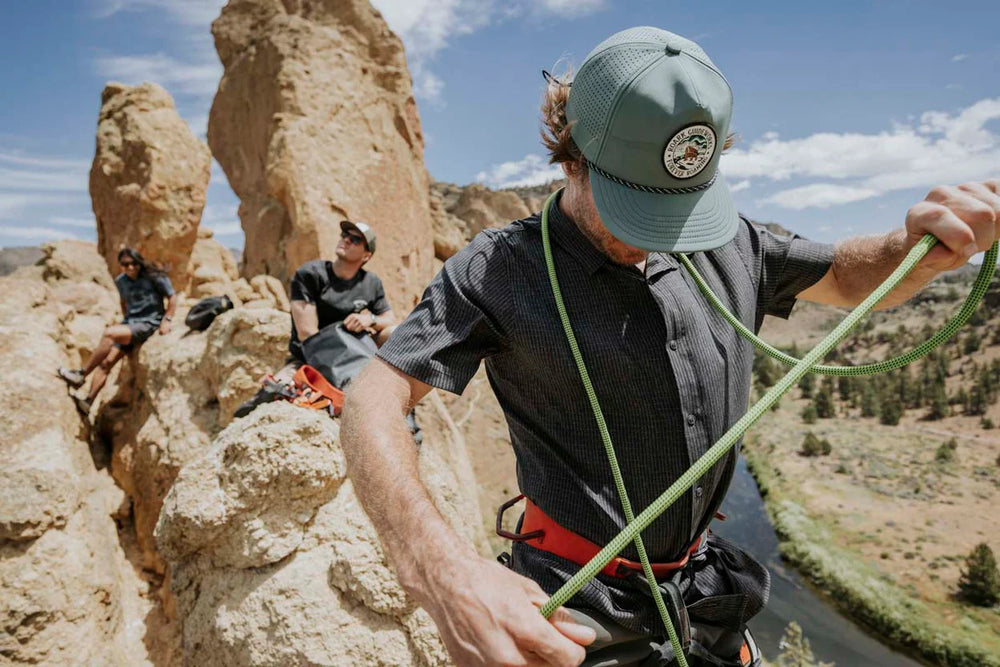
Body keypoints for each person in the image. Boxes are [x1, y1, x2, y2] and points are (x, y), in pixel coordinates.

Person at [339, 27, 1000, 667]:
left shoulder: (731, 239)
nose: (661, 236)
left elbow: (850, 274)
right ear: (573, 152)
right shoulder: (500, 268)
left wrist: (913, 248)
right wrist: (441, 569)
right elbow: (374, 396)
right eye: (636, 206)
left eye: (678, 207)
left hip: (707, 595)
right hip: (576, 608)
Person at [233, 219, 396, 418]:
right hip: (314, 354)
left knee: (394, 334)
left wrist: (369, 319)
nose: (345, 240)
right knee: (277, 389)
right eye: (345, 235)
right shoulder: (311, 274)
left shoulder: (371, 282)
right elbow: (307, 334)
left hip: (358, 350)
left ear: (366, 255)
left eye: (355, 239)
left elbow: (389, 318)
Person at [58, 247, 177, 415]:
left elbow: (172, 297)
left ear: (139, 262)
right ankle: (89, 401)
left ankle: (81, 375)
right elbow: (124, 301)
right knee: (106, 363)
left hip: (149, 323)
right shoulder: (121, 281)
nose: (130, 267)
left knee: (109, 333)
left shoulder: (155, 277)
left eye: (134, 263)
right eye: (125, 264)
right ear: (120, 265)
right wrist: (125, 322)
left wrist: (167, 320)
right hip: (131, 324)